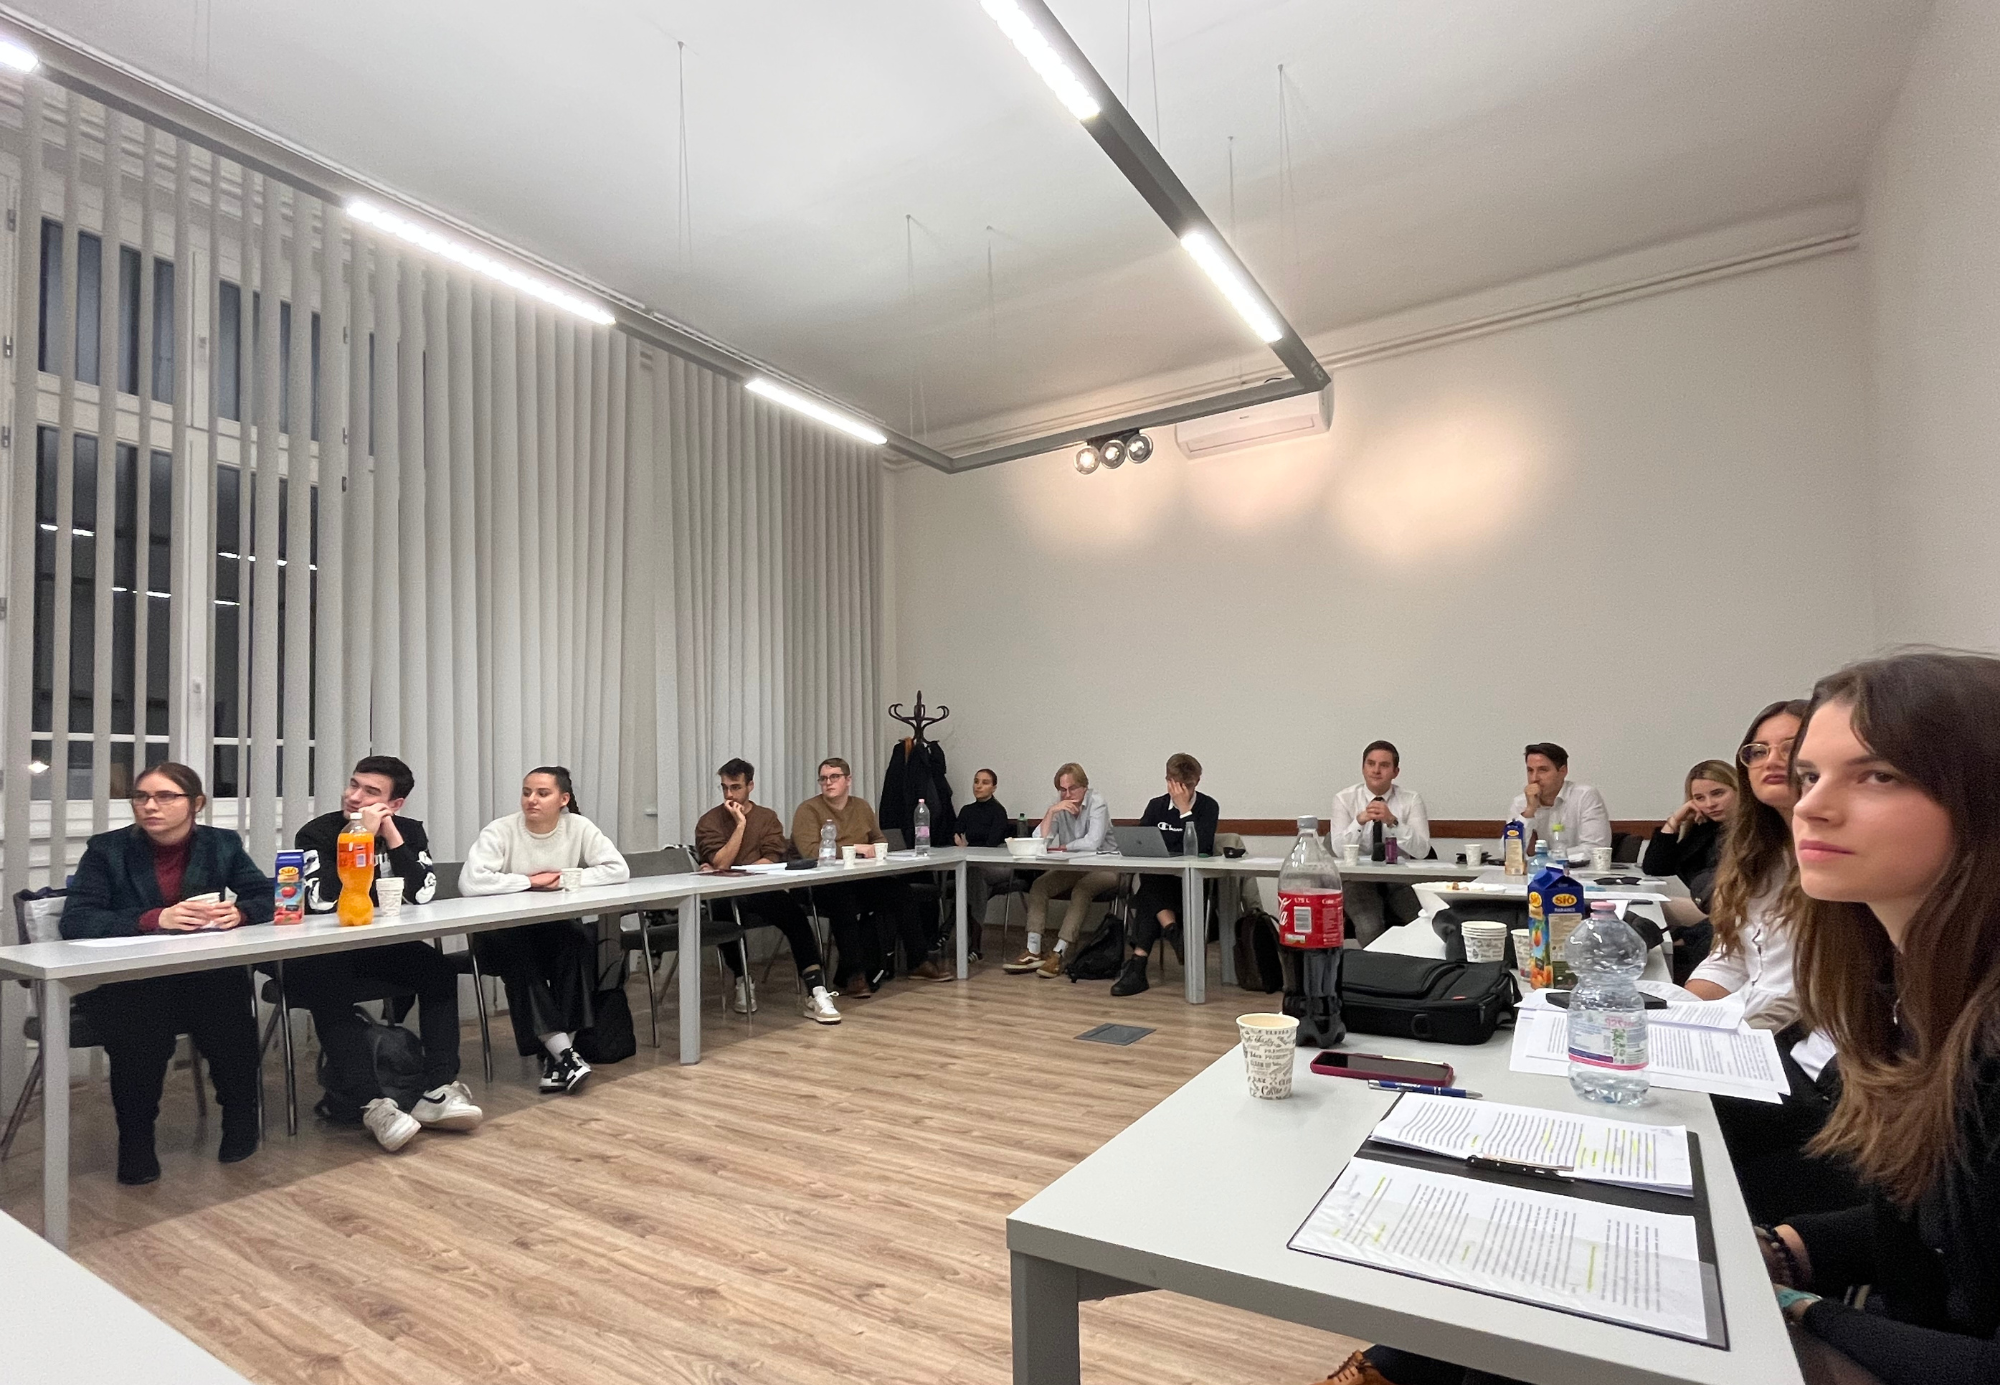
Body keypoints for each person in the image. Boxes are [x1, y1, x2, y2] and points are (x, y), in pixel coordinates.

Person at [1759, 652, 2000, 1385]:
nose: (1810, 806)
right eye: (1810, 776)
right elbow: (1950, 1229)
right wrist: (1786, 1247)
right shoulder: (1911, 990)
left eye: (1878, 776)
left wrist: (1799, 1309)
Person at [1687, 700, 1858, 1223]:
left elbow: (1794, 994)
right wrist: (1679, 1012)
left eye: (1790, 747)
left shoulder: (1841, 856)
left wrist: (1700, 1038)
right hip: (1771, 1044)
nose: (1772, 760)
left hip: (1810, 1064)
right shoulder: (1761, 852)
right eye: (1758, 750)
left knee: (1685, 1132)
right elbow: (1730, 957)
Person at [60, 762, 272, 1185]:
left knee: (228, 1004)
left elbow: (267, 894)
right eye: (141, 797)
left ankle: (240, 1122)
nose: (150, 806)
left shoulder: (221, 844)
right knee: (141, 1023)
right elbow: (77, 919)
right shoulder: (107, 850)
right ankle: (136, 1143)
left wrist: (241, 912)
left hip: (200, 974)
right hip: (133, 979)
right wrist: (155, 917)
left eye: (165, 796)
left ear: (196, 803)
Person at [286, 756, 482, 1151]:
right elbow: (322, 901)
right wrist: (358, 837)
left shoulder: (408, 831)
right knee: (329, 988)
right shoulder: (317, 832)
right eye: (353, 784)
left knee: (438, 971)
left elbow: (421, 894)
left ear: (394, 804)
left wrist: (391, 835)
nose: (354, 796)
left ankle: (438, 1089)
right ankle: (372, 1104)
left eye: (370, 792)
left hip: (381, 945)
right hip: (327, 947)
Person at [461, 766, 630, 1095]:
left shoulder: (577, 826)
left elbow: (617, 870)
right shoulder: (500, 830)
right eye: (527, 792)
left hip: (548, 930)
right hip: (499, 933)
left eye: (542, 793)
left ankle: (558, 1058)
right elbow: (470, 882)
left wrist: (565, 878)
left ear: (563, 799)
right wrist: (529, 881)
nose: (531, 800)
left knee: (578, 940)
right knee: (521, 956)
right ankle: (564, 1054)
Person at [693, 758, 841, 1025]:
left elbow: (772, 857)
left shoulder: (767, 817)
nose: (729, 794)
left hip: (760, 887)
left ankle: (816, 990)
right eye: (725, 787)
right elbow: (721, 862)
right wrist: (740, 825)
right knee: (723, 909)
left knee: (795, 916)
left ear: (750, 786)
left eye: (736, 787)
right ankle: (742, 979)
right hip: (724, 892)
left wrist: (734, 869)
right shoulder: (710, 821)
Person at [789, 757, 953, 995]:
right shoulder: (808, 810)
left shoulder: (861, 807)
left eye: (834, 777)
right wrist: (856, 848)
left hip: (858, 877)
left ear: (848, 780)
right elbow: (811, 851)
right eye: (823, 778)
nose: (828, 782)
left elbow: (879, 839)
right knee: (843, 903)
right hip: (821, 882)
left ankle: (918, 960)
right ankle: (854, 974)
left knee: (901, 893)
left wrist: (875, 850)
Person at [1110, 754, 1220, 997]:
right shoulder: (1156, 806)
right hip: (1160, 881)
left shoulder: (1208, 806)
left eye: (1187, 785)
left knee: (1148, 892)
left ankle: (1138, 967)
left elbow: (1200, 847)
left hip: (1190, 886)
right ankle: (1173, 934)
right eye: (1176, 784)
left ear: (1197, 781)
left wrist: (1184, 810)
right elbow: (1142, 843)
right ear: (1168, 780)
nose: (1182, 790)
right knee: (1151, 878)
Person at [1004, 762, 1118, 978]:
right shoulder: (1059, 804)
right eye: (1062, 789)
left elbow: (1093, 842)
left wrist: (1065, 846)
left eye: (1072, 788)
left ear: (1084, 786)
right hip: (1074, 865)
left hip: (1105, 865)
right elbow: (1039, 840)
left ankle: (1059, 952)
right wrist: (1051, 812)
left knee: (1082, 890)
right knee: (1040, 886)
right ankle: (1033, 950)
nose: (1067, 794)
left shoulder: (1097, 802)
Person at [1328, 740, 1432, 944]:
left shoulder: (1411, 799)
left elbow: (1421, 851)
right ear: (1363, 768)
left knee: (1422, 920)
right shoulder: (1344, 799)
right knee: (1370, 925)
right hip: (1357, 879)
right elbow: (1339, 850)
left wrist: (1393, 822)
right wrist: (1359, 821)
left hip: (1400, 878)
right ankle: (1377, 965)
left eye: (1384, 765)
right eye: (1371, 764)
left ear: (1395, 772)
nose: (1376, 770)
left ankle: (1412, 964)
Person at [1505, 742, 1611, 854]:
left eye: (1542, 770)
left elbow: (1595, 848)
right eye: (1530, 770)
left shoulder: (1584, 796)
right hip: (1537, 865)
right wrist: (1529, 811)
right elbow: (1509, 853)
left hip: (1577, 866)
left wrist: (1545, 857)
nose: (1534, 778)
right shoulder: (1521, 803)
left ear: (1562, 771)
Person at [953, 767, 1016, 947]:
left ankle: (949, 925)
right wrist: (960, 843)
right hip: (974, 865)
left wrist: (967, 848)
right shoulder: (967, 810)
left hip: (998, 865)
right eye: (976, 781)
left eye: (985, 782)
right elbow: (956, 834)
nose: (978, 786)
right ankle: (975, 944)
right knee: (976, 879)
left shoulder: (998, 811)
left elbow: (991, 845)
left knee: (973, 875)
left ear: (994, 788)